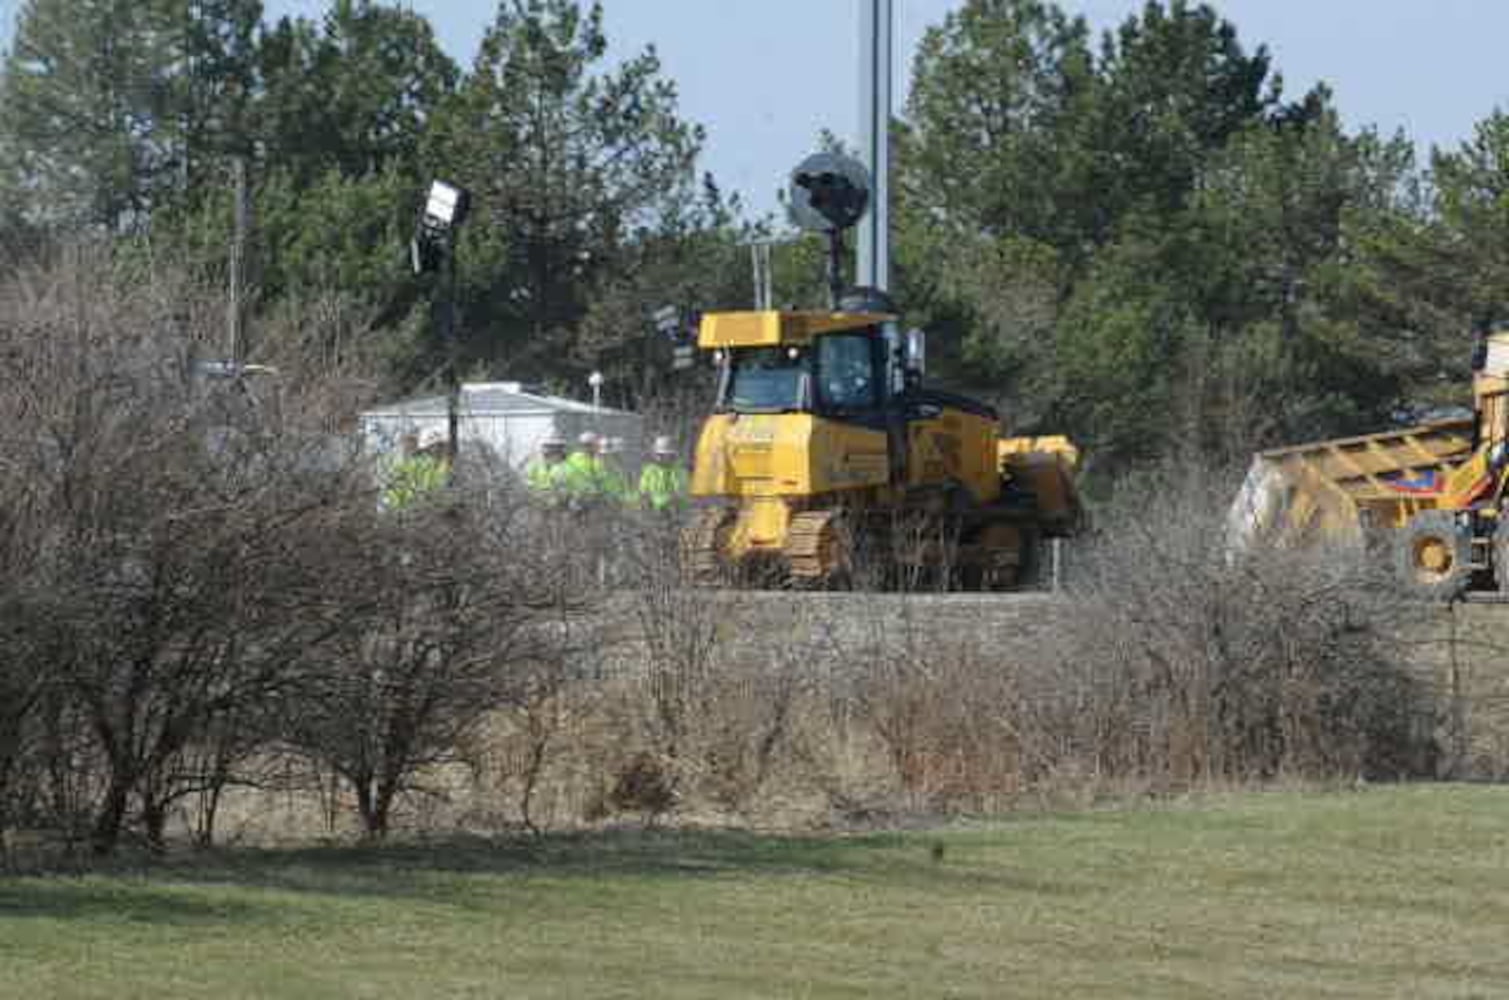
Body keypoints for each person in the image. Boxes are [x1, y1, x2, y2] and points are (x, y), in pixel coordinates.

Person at [382, 426, 450, 511]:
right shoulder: (396, 463)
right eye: (435, 446)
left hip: (425, 506)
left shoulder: (433, 464)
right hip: (403, 507)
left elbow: (436, 486)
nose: (438, 449)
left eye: (441, 446)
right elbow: (391, 488)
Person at [637, 435, 689, 512]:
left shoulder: (678, 471)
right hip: (652, 508)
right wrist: (645, 500)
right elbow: (643, 488)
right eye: (658, 455)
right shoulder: (649, 470)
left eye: (663, 455)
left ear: (672, 455)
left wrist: (670, 503)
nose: (659, 458)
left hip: (673, 508)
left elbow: (680, 491)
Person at [525, 434, 569, 498]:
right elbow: (528, 480)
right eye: (552, 447)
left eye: (558, 447)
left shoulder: (566, 466)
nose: (554, 449)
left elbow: (566, 485)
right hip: (537, 497)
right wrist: (535, 491)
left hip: (557, 498)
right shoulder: (536, 463)